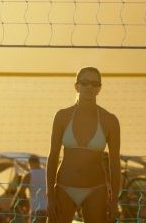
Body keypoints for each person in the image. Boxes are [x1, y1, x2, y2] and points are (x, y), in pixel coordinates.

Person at [46, 67, 121, 223]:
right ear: (76, 86)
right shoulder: (62, 116)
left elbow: (115, 164)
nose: (89, 87)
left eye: (94, 84)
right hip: (64, 187)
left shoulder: (110, 120)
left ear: (99, 88)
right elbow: (53, 156)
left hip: (96, 189)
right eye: (85, 83)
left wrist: (114, 201)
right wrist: (50, 196)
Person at [9, 155, 48, 223]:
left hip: (36, 210)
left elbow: (20, 194)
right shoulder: (47, 173)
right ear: (38, 162)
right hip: (49, 210)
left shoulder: (29, 175)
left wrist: (12, 206)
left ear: (29, 163)